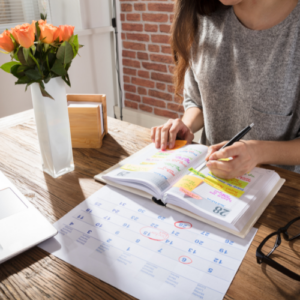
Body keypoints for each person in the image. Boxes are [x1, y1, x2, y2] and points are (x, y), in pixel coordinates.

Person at [151, 0, 300, 179]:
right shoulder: (204, 17)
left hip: (282, 191)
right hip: (210, 181)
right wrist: (186, 126)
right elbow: (197, 101)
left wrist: (258, 152)